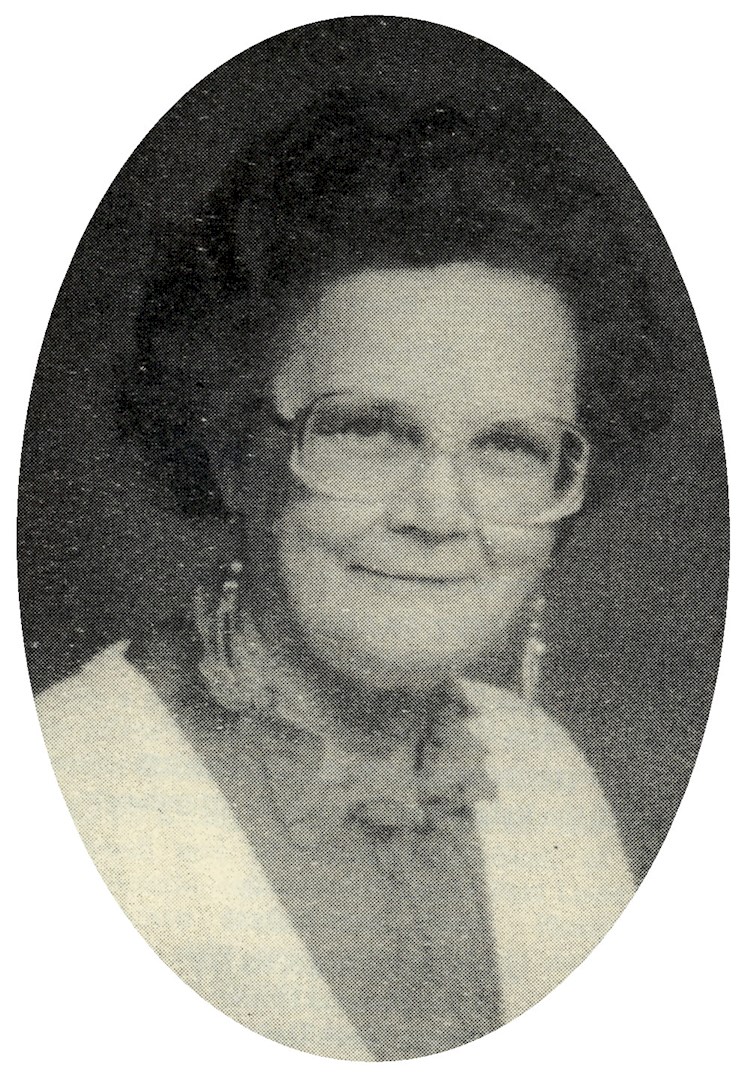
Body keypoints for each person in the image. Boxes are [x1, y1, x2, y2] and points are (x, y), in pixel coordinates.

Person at [35, 90, 671, 1059]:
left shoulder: (543, 775)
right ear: (233, 451)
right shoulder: (64, 786)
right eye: (369, 429)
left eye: (507, 446)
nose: (438, 515)